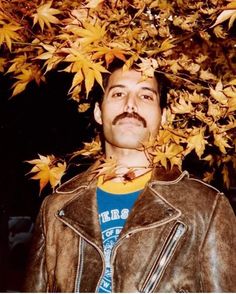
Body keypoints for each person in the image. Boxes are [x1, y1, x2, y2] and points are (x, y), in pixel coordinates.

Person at [23, 63, 236, 293]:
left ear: (163, 116)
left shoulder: (205, 207)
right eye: (118, 93)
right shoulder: (56, 208)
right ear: (98, 112)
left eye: (145, 95)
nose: (130, 104)